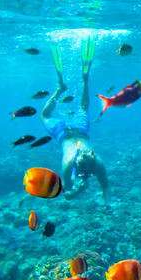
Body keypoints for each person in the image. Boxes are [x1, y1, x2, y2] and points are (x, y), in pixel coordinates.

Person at [41, 35, 109, 201]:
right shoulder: (75, 162)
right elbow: (69, 193)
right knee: (46, 115)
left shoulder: (90, 163)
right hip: (64, 133)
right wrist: (79, 190)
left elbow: (102, 187)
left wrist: (79, 188)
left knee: (81, 108)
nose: (82, 173)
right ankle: (72, 84)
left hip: (78, 130)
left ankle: (69, 86)